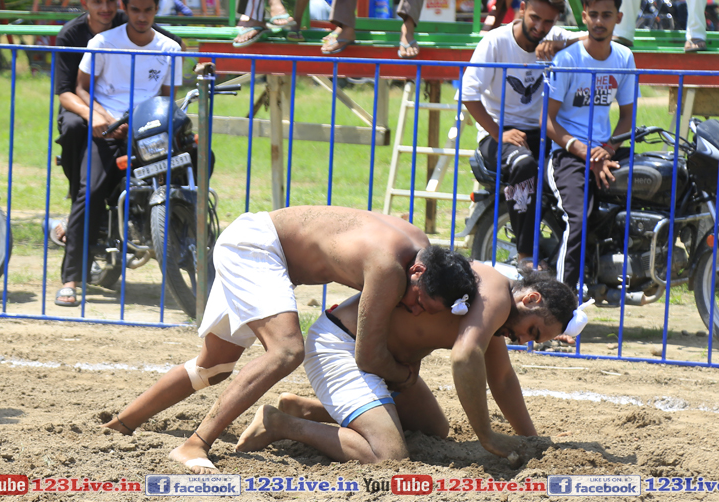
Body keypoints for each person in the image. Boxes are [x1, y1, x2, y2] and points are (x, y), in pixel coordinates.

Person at [102, 207, 479, 472]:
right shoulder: (388, 269)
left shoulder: (417, 249)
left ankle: (121, 423)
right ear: (418, 271)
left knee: (212, 367)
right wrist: (405, 376)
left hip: (257, 244)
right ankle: (194, 445)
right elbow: (367, 356)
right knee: (286, 351)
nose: (414, 310)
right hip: (256, 249)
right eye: (418, 301)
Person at [235, 267, 582, 464]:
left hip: (386, 364)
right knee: (387, 457)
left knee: (433, 429)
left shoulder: (497, 314)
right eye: (532, 331)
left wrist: (531, 441)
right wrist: (487, 437)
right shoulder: (496, 295)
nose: (523, 340)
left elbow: (502, 378)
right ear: (530, 298)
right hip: (342, 344)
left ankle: (304, 409)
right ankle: (280, 423)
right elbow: (465, 358)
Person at [55, 0, 181, 307]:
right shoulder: (100, 42)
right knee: (90, 191)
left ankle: (192, 261)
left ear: (156, 10)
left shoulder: (170, 48)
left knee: (188, 170)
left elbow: (167, 98)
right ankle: (71, 278)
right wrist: (105, 119)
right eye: (135, 10)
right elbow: (80, 88)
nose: (141, 16)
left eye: (148, 10)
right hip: (107, 128)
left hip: (148, 129)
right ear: (127, 8)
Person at [462, 0, 582, 275]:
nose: (540, 27)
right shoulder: (495, 42)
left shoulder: (554, 37)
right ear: (523, 8)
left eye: (548, 22)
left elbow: (600, 36)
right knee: (524, 165)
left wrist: (561, 44)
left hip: (542, 131)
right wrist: (498, 132)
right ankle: (525, 254)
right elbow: (468, 93)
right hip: (498, 133)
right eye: (535, 18)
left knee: (577, 164)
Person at [544, 0, 636, 297]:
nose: (599, 21)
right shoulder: (567, 59)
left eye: (606, 15)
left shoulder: (624, 57)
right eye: (593, 15)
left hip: (605, 150)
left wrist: (608, 148)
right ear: (584, 16)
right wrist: (584, 151)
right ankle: (562, 303)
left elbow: (627, 116)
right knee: (578, 219)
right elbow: (547, 120)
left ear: (618, 18)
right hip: (567, 152)